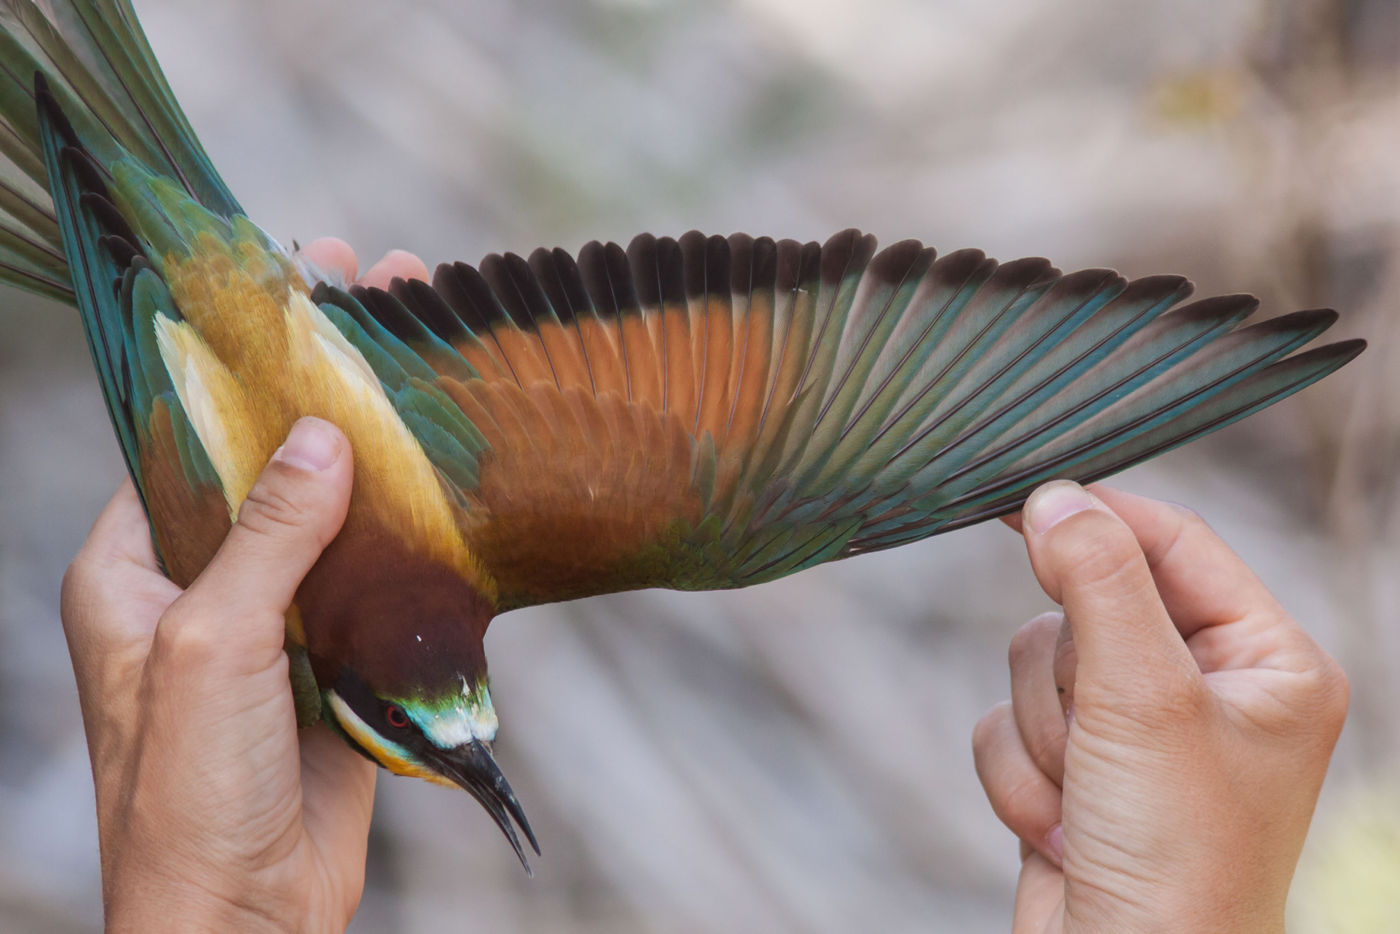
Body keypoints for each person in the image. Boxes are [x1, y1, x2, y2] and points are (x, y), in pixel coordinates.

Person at [58, 242, 1348, 933]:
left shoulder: (228, 579)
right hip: (206, 320)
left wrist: (216, 911)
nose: (468, 735)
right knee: (742, 524)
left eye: (431, 727)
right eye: (458, 731)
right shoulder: (249, 593)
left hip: (202, 317)